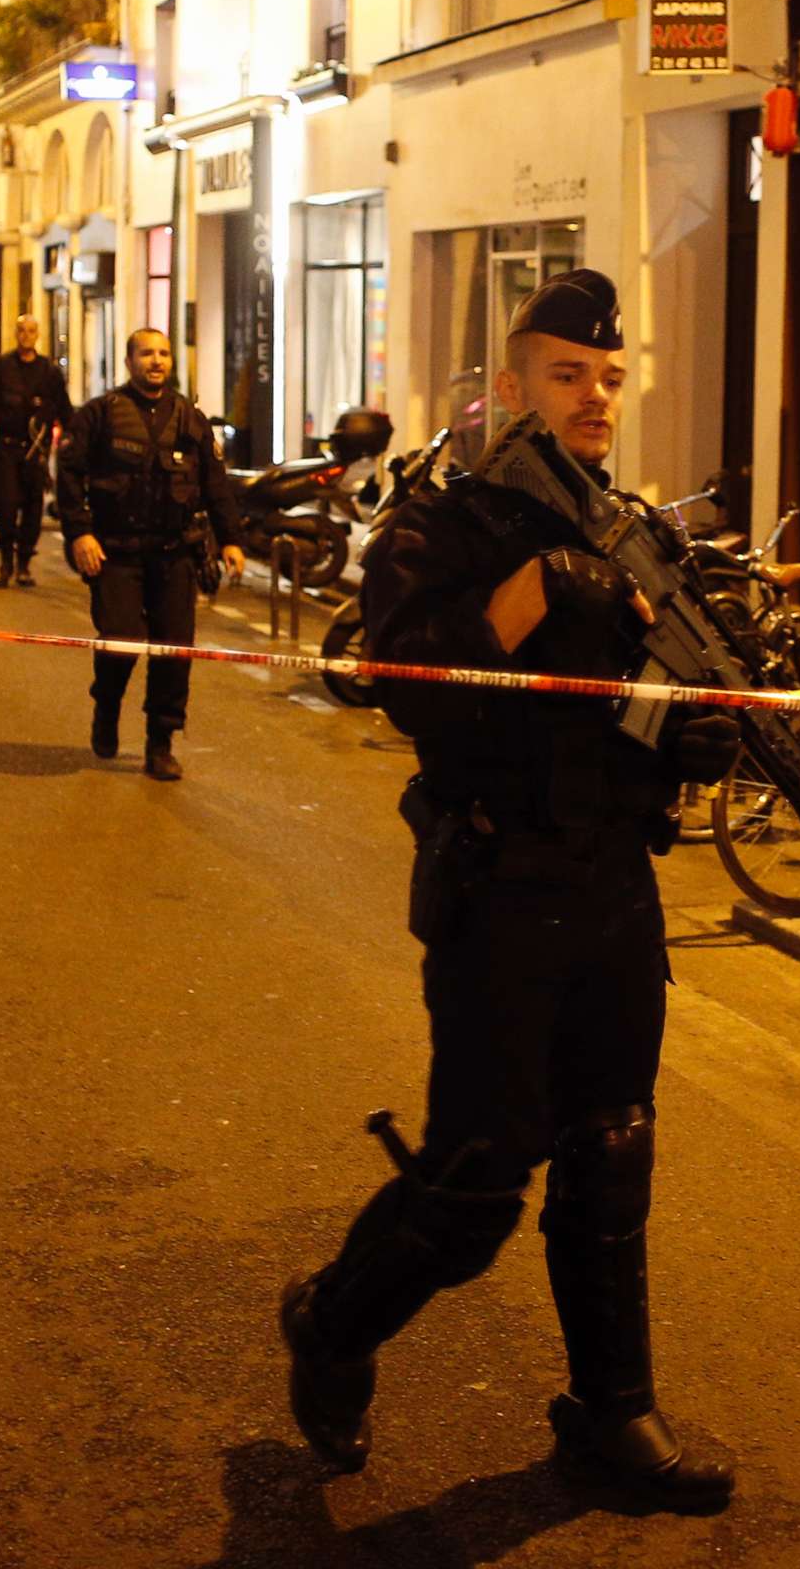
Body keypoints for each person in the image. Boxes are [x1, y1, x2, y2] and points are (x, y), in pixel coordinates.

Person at [278, 269, 744, 1513]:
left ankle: (613, 1413)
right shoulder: (447, 526)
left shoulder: (630, 525)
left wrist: (685, 741)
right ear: (508, 385)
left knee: (613, 1151)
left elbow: (628, 708)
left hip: (612, 889)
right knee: (480, 1182)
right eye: (565, 375)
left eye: (608, 376)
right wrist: (535, 593)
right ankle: (331, 1323)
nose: (595, 397)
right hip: (501, 890)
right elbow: (402, 683)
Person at [53, 327, 243, 781]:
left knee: (174, 650)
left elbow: (215, 484)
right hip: (115, 553)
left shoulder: (190, 419)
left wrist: (231, 539)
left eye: (163, 354)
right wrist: (80, 534)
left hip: (174, 553)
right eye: (146, 353)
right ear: (128, 361)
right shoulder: (100, 414)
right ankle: (107, 705)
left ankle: (160, 742)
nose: (156, 361)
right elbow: (69, 477)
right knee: (120, 640)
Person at [0, 314, 70, 588]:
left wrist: (70, 442)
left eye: (31, 331)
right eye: (22, 330)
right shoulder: (0, 369)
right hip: (6, 449)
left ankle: (24, 563)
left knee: (33, 507)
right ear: (15, 334)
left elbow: (65, 410)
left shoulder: (49, 373)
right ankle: (5, 563)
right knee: (7, 504)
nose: (26, 335)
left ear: (38, 335)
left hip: (36, 452)